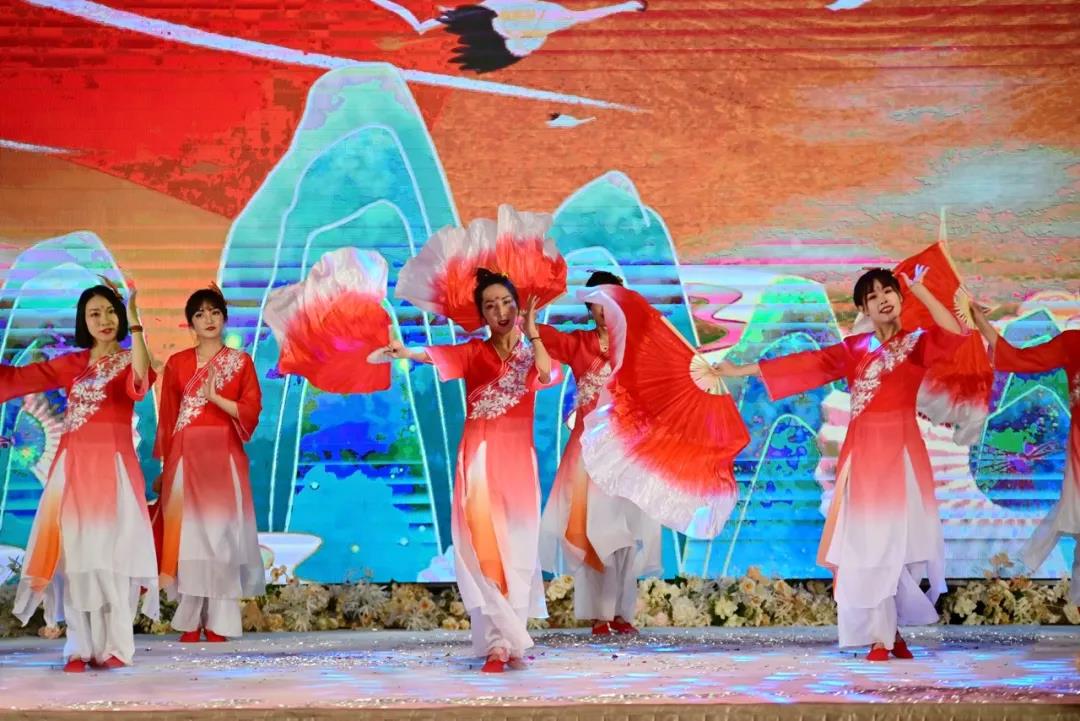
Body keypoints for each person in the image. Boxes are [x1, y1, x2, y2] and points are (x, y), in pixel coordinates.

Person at [715, 266, 966, 661]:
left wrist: (921, 287)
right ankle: (883, 636)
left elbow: (954, 332)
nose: (883, 300)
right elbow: (805, 364)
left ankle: (889, 631)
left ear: (900, 298)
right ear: (863, 308)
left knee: (899, 547)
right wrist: (740, 370)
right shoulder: (855, 349)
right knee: (867, 546)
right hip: (863, 458)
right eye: (872, 296)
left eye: (889, 291)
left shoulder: (916, 344)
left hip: (902, 456)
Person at [385, 268, 555, 673]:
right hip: (479, 457)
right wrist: (405, 352)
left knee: (518, 547)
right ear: (482, 315)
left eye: (507, 303)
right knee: (483, 545)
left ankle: (511, 639)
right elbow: (433, 355)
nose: (501, 311)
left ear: (519, 307)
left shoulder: (532, 351)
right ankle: (498, 644)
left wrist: (533, 334)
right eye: (491, 306)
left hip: (519, 460)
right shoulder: (474, 352)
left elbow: (546, 373)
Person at [1, 283, 158, 671]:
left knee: (113, 559)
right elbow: (17, 379)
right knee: (77, 559)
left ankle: (116, 647)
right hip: (73, 470)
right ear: (83, 321)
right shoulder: (73, 364)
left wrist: (136, 320)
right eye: (95, 313)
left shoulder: (130, 358)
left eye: (111, 312)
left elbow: (141, 379)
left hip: (115, 472)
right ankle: (78, 648)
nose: (104, 320)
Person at [537, 271, 660, 635]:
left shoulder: (638, 347)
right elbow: (542, 336)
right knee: (594, 528)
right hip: (589, 450)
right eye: (598, 303)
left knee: (627, 530)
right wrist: (526, 314)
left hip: (628, 449)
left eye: (613, 301)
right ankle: (599, 614)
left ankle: (623, 613)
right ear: (589, 307)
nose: (605, 310)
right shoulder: (580, 344)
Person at [154, 286, 263, 642]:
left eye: (214, 312)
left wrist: (215, 398)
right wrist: (166, 467)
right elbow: (168, 419)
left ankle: (221, 622)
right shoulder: (177, 363)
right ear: (190, 324)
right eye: (200, 314)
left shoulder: (241, 362)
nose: (208, 319)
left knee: (221, 537)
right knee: (189, 538)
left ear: (224, 318)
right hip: (185, 457)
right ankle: (190, 620)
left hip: (223, 456)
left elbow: (251, 411)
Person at [971, 306, 1079, 603]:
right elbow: (1018, 359)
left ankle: (1019, 569)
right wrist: (982, 323)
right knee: (1071, 513)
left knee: (1069, 514)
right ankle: (1021, 570)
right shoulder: (1072, 343)